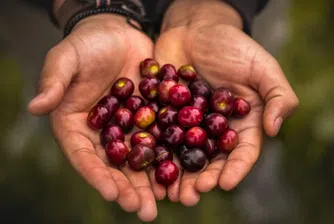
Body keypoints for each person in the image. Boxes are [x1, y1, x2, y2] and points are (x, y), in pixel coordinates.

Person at [26, 0, 299, 222]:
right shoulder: (169, 110)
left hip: (230, 22)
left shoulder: (193, 104)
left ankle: (255, 184)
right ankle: (35, 136)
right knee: (54, 76)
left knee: (252, 70)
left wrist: (215, 8)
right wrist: (86, 10)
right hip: (60, 18)